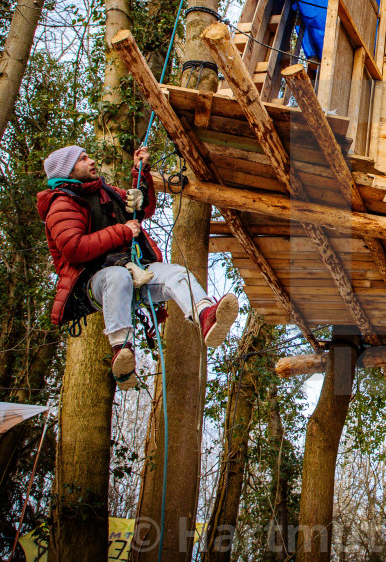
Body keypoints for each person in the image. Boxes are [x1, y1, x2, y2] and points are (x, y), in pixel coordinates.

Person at [37, 144, 237, 389]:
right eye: (82, 159)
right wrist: (121, 232)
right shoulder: (62, 204)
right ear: (67, 170)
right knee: (117, 276)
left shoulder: (105, 192)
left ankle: (206, 316)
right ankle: (121, 349)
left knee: (176, 273)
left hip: (135, 272)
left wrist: (140, 173)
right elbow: (74, 248)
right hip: (95, 284)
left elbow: (143, 210)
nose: (91, 161)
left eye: (88, 156)